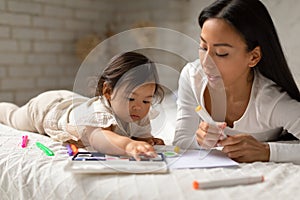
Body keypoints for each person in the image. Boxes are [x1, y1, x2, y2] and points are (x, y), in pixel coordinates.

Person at [173, 0, 300, 163]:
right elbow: (180, 143)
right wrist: (199, 142)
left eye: (221, 53)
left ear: (253, 57)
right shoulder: (192, 77)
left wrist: (267, 151)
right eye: (203, 48)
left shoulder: (273, 102)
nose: (206, 63)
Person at [0, 51, 165, 160]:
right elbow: (100, 139)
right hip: (48, 109)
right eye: (130, 99)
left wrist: (147, 142)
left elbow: (139, 137)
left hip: (75, 102)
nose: (139, 107)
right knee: (13, 117)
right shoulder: (100, 112)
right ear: (108, 92)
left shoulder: (140, 115)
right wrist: (128, 145)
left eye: (146, 101)